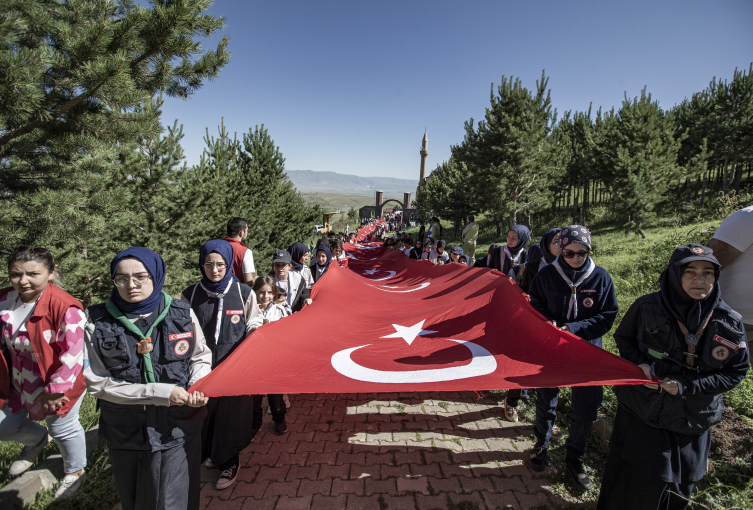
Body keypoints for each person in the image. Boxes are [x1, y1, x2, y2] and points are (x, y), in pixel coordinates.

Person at [597, 244, 749, 510]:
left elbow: (735, 370)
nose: (699, 280)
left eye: (708, 273)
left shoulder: (729, 321)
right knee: (635, 483)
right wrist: (640, 363)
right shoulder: (647, 306)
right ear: (674, 275)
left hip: (692, 420)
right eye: (689, 272)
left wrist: (687, 386)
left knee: (678, 489)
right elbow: (624, 337)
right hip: (643, 411)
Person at [84, 247, 211, 510]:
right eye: (121, 278)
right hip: (127, 432)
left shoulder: (181, 313)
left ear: (156, 276)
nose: (131, 285)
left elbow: (200, 356)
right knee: (137, 499)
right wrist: (159, 393)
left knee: (178, 500)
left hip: (178, 427)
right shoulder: (97, 323)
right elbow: (97, 383)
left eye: (140, 277)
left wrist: (197, 386)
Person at [527, 225, 619, 490]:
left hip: (586, 352)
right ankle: (541, 444)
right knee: (547, 399)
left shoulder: (601, 277)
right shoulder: (547, 275)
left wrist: (575, 329)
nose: (576, 259)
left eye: (582, 253)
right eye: (569, 253)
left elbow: (608, 314)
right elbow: (535, 306)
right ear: (561, 251)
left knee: (586, 407)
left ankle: (575, 456)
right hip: (553, 350)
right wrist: (552, 324)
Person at [0, 247, 88, 499]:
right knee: (2, 426)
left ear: (50, 272)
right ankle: (38, 440)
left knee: (63, 427)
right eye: (16, 274)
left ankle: (75, 470)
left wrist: (55, 392)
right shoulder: (5, 300)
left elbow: (73, 356)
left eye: (32, 273)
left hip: (59, 380)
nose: (23, 280)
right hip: (17, 380)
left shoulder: (64, 307)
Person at [182, 240, 263, 490]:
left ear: (228, 265)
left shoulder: (242, 293)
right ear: (201, 264)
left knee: (231, 417)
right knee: (204, 413)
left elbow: (254, 323)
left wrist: (250, 344)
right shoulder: (191, 295)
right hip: (200, 368)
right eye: (208, 264)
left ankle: (229, 462)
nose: (214, 270)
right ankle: (211, 455)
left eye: (220, 265)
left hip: (233, 367)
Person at [250, 276, 291, 436]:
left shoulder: (279, 311)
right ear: (255, 293)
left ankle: (279, 419)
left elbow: (286, 333)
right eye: (261, 292)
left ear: (274, 294)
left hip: (272, 360)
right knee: (255, 397)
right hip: (254, 360)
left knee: (275, 395)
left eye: (269, 292)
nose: (265, 296)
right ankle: (255, 424)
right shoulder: (250, 311)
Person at [519, 228, 562, 294]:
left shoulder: (572, 265)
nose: (561, 245)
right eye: (556, 242)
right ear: (547, 245)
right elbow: (524, 292)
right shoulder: (533, 267)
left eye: (563, 241)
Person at [224, 217, 255, 284]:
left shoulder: (217, 247)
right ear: (241, 232)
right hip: (237, 291)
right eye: (246, 230)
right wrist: (256, 279)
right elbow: (249, 282)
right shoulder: (245, 252)